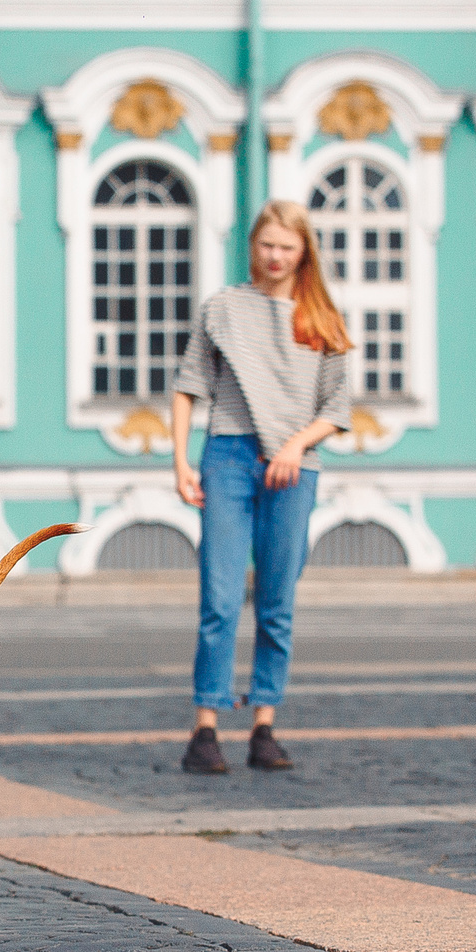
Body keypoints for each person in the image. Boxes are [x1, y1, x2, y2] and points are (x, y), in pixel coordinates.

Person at [169, 198, 352, 774]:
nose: (275, 256)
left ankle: (265, 725)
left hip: (295, 468)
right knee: (219, 599)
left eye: (287, 247)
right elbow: (188, 386)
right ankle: (206, 729)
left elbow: (339, 407)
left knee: (277, 603)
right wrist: (180, 462)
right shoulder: (223, 309)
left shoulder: (320, 318)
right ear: (254, 246)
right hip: (227, 455)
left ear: (304, 252)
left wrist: (295, 446)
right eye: (267, 245)